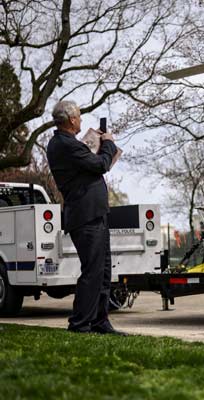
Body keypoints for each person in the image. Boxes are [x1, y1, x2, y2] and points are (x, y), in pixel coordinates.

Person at [46, 100, 125, 335]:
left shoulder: (68, 144)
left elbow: (87, 163)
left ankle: (100, 321)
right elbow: (101, 164)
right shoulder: (65, 144)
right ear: (71, 120)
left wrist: (95, 143)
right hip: (85, 215)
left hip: (94, 213)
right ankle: (80, 323)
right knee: (93, 270)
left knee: (103, 271)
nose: (80, 120)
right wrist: (108, 143)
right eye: (79, 117)